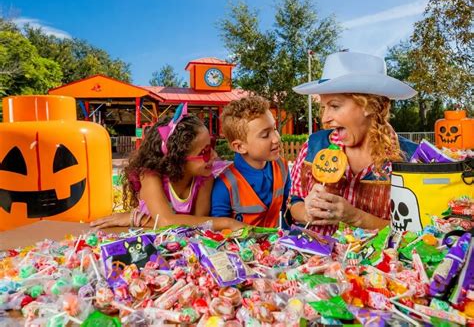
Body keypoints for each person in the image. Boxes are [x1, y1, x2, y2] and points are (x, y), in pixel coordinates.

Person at [289, 51, 418, 235]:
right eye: (323, 107)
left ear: (370, 106)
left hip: (378, 263)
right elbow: (294, 202)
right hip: (313, 261)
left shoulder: (412, 159)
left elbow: (418, 233)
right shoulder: (313, 146)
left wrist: (356, 217)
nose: (325, 118)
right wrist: (307, 212)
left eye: (334, 106)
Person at [91, 103, 244, 231]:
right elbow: (165, 221)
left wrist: (139, 219)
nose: (214, 155)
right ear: (178, 158)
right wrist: (227, 223)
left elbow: (198, 226)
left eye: (211, 146)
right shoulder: (150, 176)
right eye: (204, 152)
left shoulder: (204, 179)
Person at [210, 96, 291, 228]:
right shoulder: (224, 185)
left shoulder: (282, 166)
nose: (276, 139)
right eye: (265, 135)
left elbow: (288, 210)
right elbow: (219, 231)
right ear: (240, 147)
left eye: (274, 129)